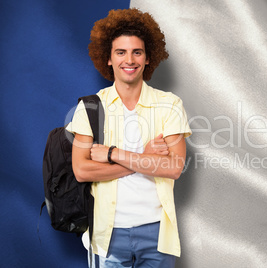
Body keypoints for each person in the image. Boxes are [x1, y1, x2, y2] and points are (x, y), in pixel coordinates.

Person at [66, 8, 191, 267]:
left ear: (147, 58)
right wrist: (145, 160)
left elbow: (174, 167)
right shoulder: (90, 107)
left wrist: (113, 154)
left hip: (157, 233)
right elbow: (81, 170)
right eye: (120, 52)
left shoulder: (170, 105)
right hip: (106, 234)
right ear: (109, 58)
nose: (129, 59)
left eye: (137, 52)